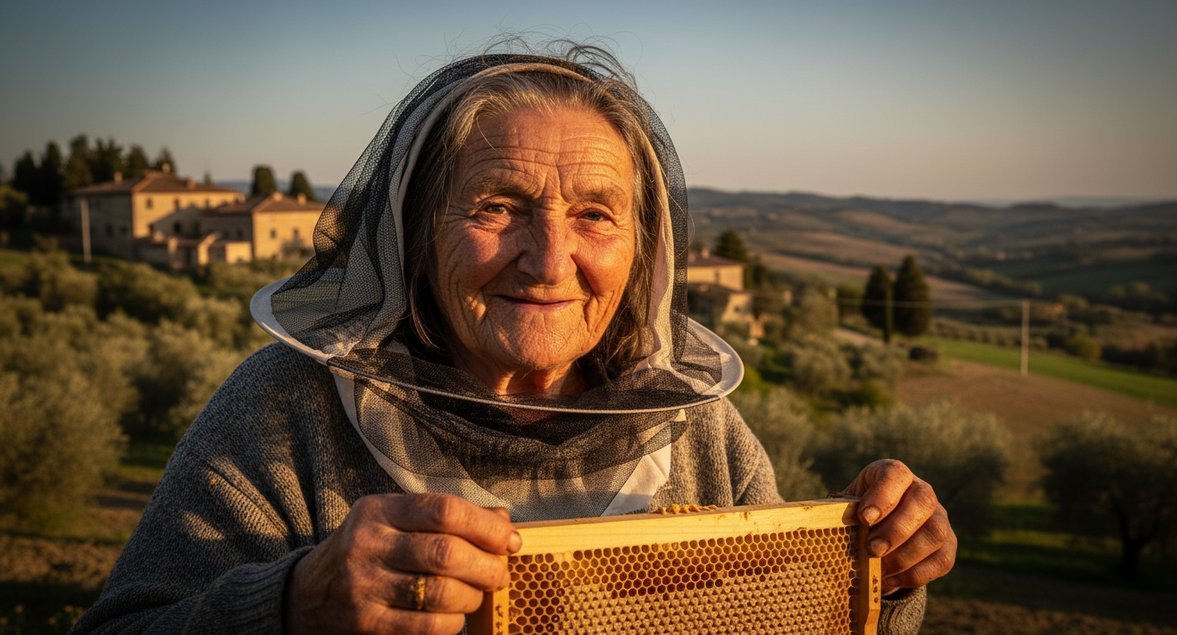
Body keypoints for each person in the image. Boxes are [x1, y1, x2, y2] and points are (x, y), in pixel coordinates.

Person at [74, 44, 954, 634]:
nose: (549, 259)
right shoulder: (284, 408)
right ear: (416, 234)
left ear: (641, 251)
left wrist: (884, 575)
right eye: (499, 206)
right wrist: (294, 605)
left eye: (596, 215)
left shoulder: (700, 431)